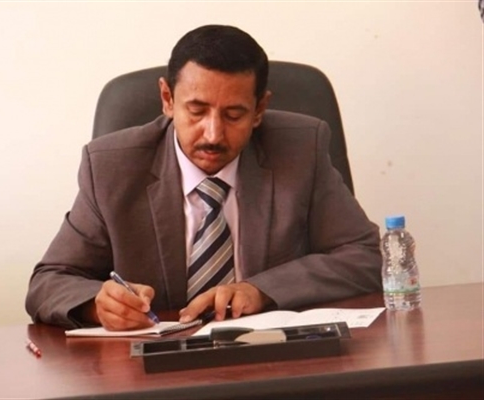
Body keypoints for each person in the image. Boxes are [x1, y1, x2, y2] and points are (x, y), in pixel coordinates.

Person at [25, 24, 382, 331]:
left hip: (274, 360)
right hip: (153, 369)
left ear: (259, 109)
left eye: (234, 115)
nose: (213, 134)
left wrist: (262, 290)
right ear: (167, 99)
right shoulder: (110, 168)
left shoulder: (300, 150)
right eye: (196, 111)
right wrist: (97, 305)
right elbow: (49, 282)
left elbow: (366, 255)